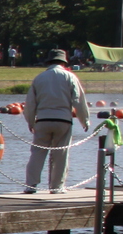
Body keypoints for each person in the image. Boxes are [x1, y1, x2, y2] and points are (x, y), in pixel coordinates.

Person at [21, 48, 86, 193]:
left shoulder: (39, 78)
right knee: (61, 154)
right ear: (63, 62)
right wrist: (84, 120)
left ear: (49, 61)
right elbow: (78, 100)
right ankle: (57, 187)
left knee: (37, 153)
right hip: (63, 119)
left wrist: (30, 122)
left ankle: (31, 186)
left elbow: (31, 103)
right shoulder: (70, 77)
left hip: (43, 119)